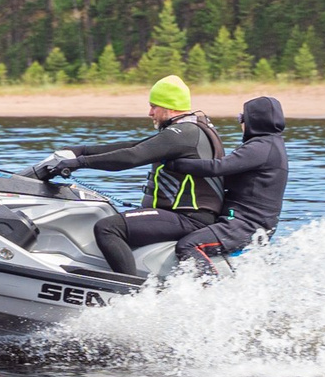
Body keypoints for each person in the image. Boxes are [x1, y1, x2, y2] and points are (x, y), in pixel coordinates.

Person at [30, 75, 226, 276]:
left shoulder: (184, 134)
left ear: (170, 107)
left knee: (108, 228)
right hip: (185, 214)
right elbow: (134, 146)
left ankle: (129, 291)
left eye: (154, 107)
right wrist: (83, 150)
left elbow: (132, 157)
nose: (150, 113)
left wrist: (79, 163)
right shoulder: (187, 129)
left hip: (189, 217)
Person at [160, 96, 288, 269]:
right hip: (246, 223)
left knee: (188, 245)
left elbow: (218, 167)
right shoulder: (270, 145)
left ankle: (210, 289)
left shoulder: (262, 146)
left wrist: (174, 163)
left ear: (254, 121)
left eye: (242, 118)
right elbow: (226, 179)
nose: (240, 122)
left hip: (245, 225)